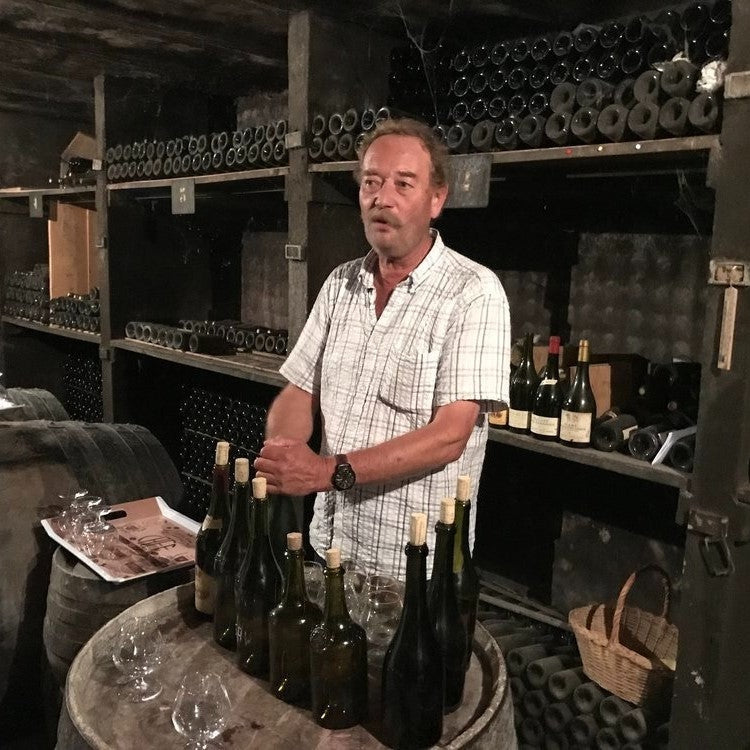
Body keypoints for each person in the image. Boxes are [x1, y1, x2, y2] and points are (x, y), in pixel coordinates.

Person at [254, 118, 510, 578]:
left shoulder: (473, 292)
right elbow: (299, 391)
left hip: (413, 567)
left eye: (403, 184)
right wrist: (283, 454)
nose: (381, 198)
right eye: (371, 182)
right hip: (330, 547)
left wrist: (324, 472)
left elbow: (449, 436)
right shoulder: (340, 285)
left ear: (437, 199)